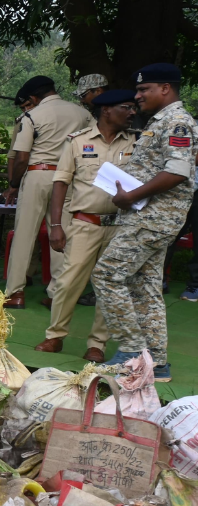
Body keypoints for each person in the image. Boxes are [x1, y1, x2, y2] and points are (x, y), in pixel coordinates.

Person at [92, 63, 198, 381]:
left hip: (152, 218)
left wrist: (131, 195)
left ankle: (132, 351)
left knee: (107, 275)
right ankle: (157, 362)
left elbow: (177, 171)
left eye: (143, 89)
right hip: (147, 217)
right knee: (145, 288)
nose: (137, 96)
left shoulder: (177, 121)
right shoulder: (160, 121)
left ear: (165, 88)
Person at [33, 89, 137, 361]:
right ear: (106, 111)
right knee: (68, 282)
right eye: (126, 107)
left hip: (120, 226)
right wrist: (56, 224)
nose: (132, 112)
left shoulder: (136, 142)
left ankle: (97, 344)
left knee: (110, 284)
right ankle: (55, 336)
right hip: (84, 223)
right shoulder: (78, 142)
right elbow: (61, 182)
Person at [3, 75, 94, 308]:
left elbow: (22, 157)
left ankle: (15, 293)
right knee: (60, 235)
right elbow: (93, 145)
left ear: (33, 98)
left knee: (24, 235)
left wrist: (13, 184)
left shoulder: (31, 116)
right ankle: (58, 294)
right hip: (67, 178)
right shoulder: (82, 114)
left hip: (36, 174)